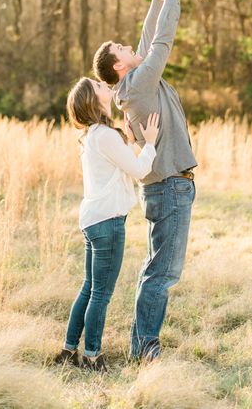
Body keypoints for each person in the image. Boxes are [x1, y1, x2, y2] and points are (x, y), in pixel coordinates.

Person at [93, 0, 196, 361]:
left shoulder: (133, 80)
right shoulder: (136, 85)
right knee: (162, 274)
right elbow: (162, 39)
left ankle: (142, 343)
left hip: (171, 184)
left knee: (159, 271)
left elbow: (150, 27)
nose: (128, 44)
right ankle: (145, 348)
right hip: (169, 186)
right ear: (119, 65)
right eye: (122, 47)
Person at [55, 76, 160, 372]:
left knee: (89, 288)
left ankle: (68, 350)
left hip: (92, 220)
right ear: (93, 100)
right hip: (108, 222)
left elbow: (115, 166)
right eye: (99, 86)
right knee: (100, 293)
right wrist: (149, 144)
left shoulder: (93, 135)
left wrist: (126, 138)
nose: (106, 86)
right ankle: (92, 356)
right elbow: (139, 170)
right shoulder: (105, 136)